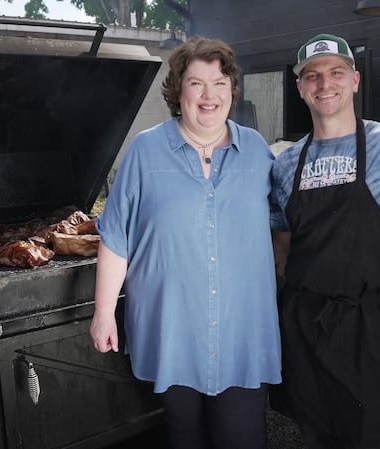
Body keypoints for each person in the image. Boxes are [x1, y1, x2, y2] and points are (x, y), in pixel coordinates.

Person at [89, 36, 281, 449]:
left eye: (219, 83)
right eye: (196, 83)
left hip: (242, 333)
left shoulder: (257, 152)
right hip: (171, 331)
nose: (209, 95)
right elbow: (116, 236)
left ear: (232, 90)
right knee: (183, 438)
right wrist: (104, 313)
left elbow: (284, 227)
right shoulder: (145, 151)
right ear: (178, 91)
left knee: (242, 439)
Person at [269, 33, 380, 449]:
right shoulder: (283, 164)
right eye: (312, 76)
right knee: (313, 433)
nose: (324, 84)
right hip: (302, 327)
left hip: (366, 328)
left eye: (336, 72)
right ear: (300, 88)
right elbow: (281, 248)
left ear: (354, 80)